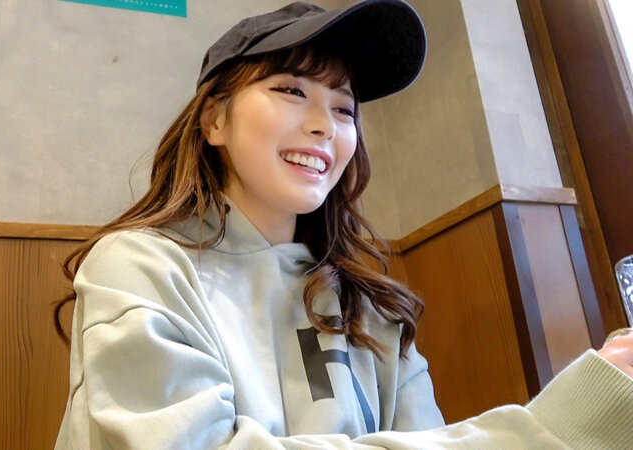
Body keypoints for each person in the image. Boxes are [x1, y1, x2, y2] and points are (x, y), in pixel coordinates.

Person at [53, 1, 633, 448]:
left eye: (343, 107)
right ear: (214, 121)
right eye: (290, 90)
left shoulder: (371, 309)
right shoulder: (139, 266)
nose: (324, 126)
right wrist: (553, 428)